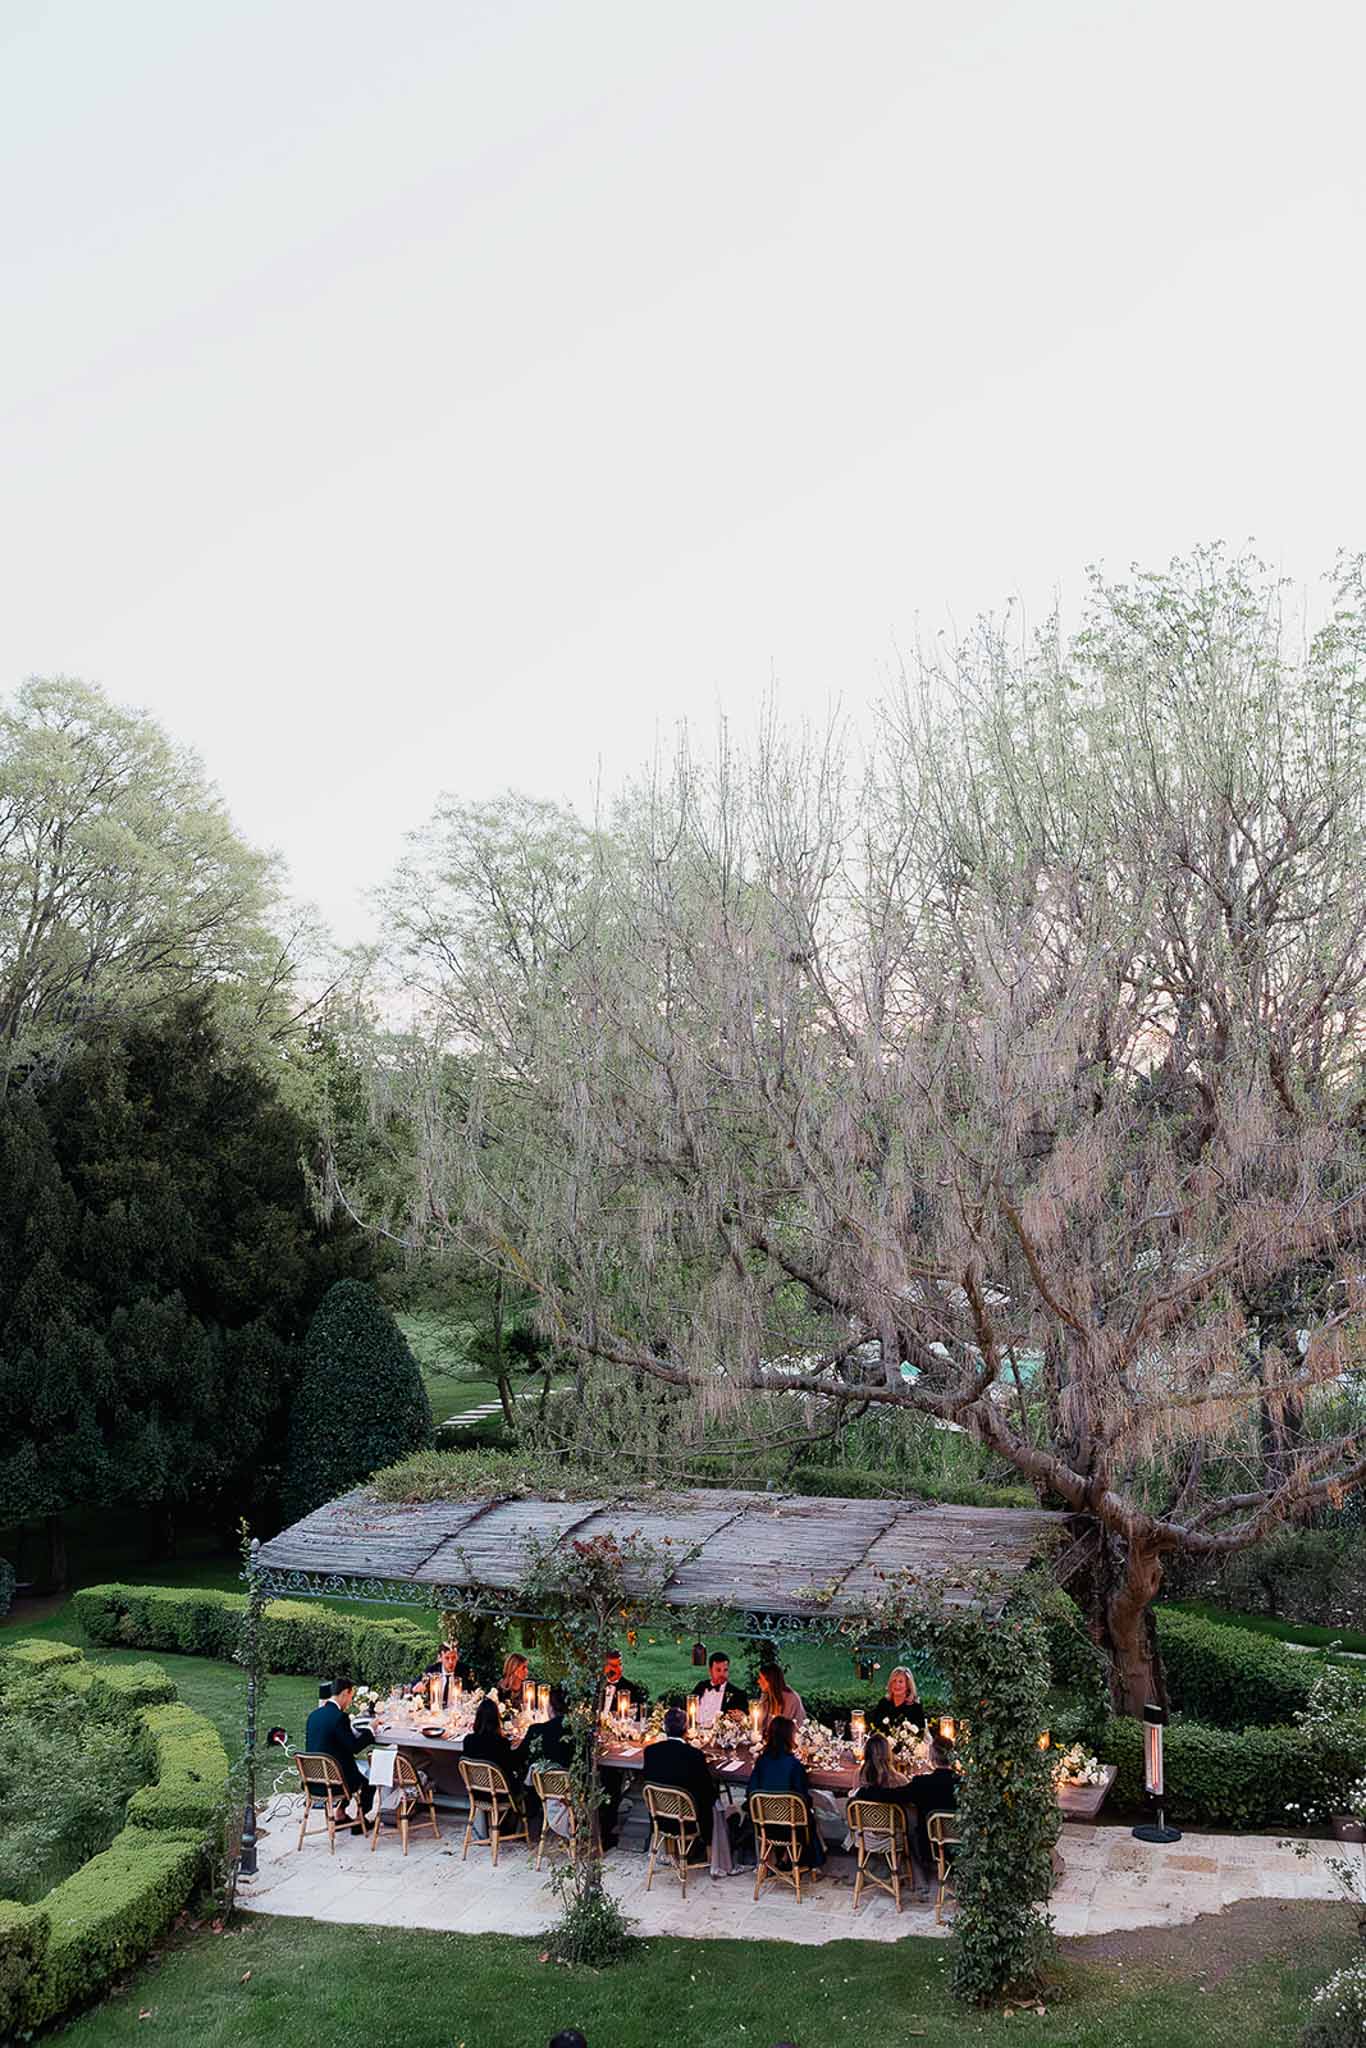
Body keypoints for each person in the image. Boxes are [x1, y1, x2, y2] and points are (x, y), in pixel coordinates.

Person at [745, 1715, 825, 1867]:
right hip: (791, 1828)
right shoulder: (794, 1766)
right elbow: (803, 1799)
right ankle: (794, 1857)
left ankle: (780, 1856)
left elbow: (750, 1792)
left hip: (764, 1827)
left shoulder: (761, 1761)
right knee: (810, 1814)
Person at [643, 1704, 723, 1852]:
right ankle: (713, 1852)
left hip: (661, 1818)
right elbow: (708, 1794)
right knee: (717, 1806)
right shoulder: (694, 1755)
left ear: (664, 1727)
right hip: (689, 1821)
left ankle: (672, 1850)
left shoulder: (651, 1752)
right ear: (686, 1729)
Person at [304, 1679, 378, 1825]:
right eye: (351, 1697)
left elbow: (330, 1740)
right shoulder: (340, 1717)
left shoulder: (314, 1715)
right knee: (369, 1782)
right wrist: (370, 1729)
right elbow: (354, 1747)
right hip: (335, 1781)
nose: (350, 1701)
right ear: (345, 1693)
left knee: (351, 1772)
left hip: (312, 1780)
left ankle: (340, 1814)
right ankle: (360, 1820)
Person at [907, 1735, 959, 1883]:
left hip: (930, 1850)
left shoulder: (921, 1783)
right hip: (960, 1847)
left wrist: (864, 1792)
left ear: (931, 1757)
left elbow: (895, 1795)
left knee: (907, 1827)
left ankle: (919, 1880)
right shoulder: (963, 1784)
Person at [691, 1651, 748, 1729]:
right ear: (710, 1671)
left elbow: (745, 1717)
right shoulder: (701, 1686)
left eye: (725, 1670)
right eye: (718, 1670)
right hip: (695, 1733)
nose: (722, 1674)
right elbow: (689, 1706)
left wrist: (742, 1716)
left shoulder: (737, 1694)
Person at [869, 1665, 926, 1736]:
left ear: (908, 1685)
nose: (896, 1685)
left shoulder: (915, 1706)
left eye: (900, 1681)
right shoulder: (884, 1703)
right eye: (894, 1681)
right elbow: (874, 1727)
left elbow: (920, 1731)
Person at [420, 1639, 476, 1710]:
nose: (451, 1662)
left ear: (457, 1657)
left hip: (457, 1715)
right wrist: (419, 1687)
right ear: (440, 1658)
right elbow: (415, 1685)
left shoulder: (466, 1671)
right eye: (447, 1658)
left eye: (454, 1658)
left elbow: (474, 1694)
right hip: (434, 1714)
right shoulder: (431, 1670)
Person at [755, 1661, 806, 1734]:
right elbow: (759, 1723)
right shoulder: (766, 1695)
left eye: (760, 1678)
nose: (758, 1681)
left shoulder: (790, 1698)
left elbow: (784, 1728)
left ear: (770, 1680)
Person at [601, 1648, 647, 1714]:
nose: (612, 1670)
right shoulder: (596, 1689)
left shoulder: (630, 1690)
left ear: (621, 1667)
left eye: (617, 1665)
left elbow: (640, 1711)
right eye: (610, 1665)